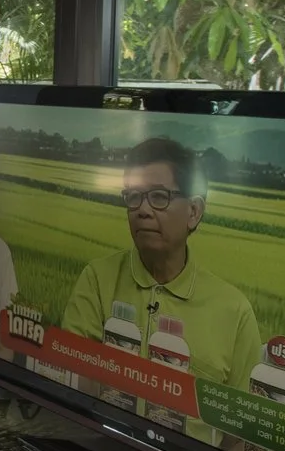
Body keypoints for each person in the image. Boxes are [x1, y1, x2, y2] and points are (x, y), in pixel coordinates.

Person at [60, 136, 261, 387]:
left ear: (193, 212)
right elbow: (67, 381)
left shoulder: (235, 313)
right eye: (133, 196)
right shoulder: (97, 281)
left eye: (158, 196)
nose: (142, 210)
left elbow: (242, 421)